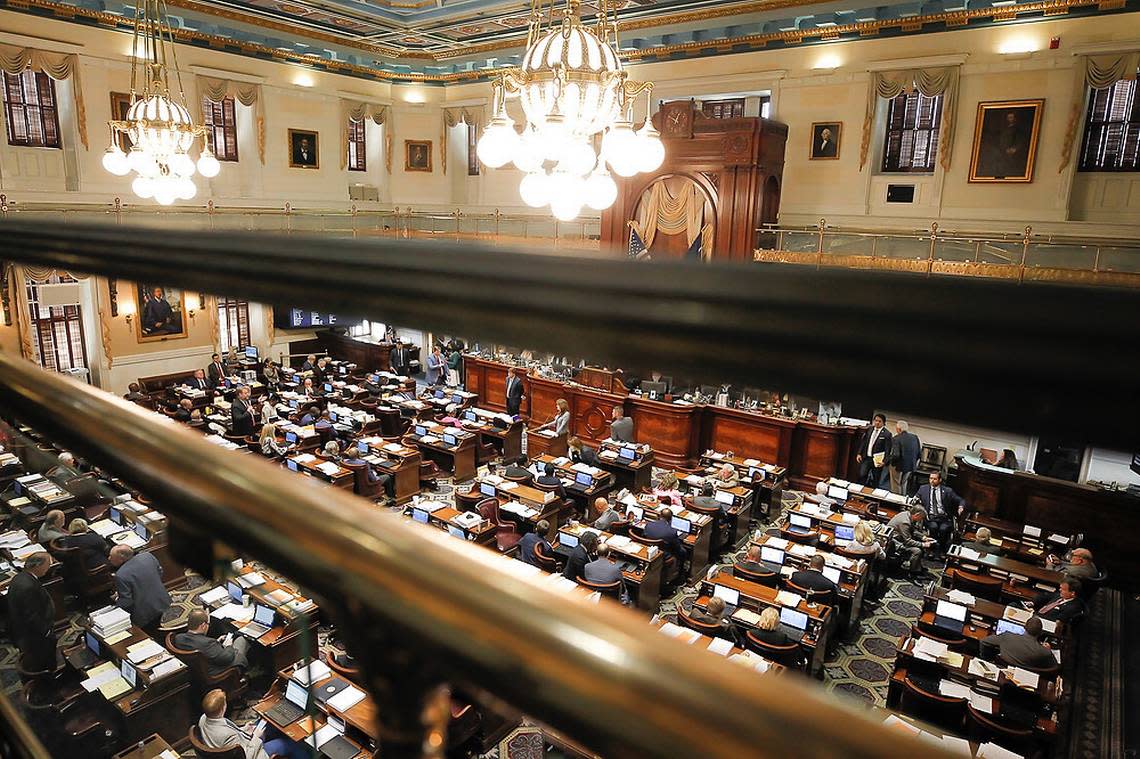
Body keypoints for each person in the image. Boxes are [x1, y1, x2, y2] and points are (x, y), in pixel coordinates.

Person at [198, 689, 307, 759]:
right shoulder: (227, 735)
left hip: (240, 742)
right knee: (290, 743)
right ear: (223, 708)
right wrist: (256, 737)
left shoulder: (203, 718)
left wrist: (244, 729)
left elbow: (230, 730)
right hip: (255, 753)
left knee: (266, 722)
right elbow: (246, 755)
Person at [7, 552, 56, 671]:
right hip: (35, 637)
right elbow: (32, 616)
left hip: (26, 632)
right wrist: (47, 632)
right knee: (44, 662)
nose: (49, 567)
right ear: (38, 566)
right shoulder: (27, 586)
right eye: (48, 564)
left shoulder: (21, 577)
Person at [109, 545, 171, 636]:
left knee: (151, 634)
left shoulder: (121, 575)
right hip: (162, 601)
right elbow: (160, 572)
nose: (108, 558)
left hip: (144, 613)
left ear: (121, 559)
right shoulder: (147, 556)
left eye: (111, 556)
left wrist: (116, 602)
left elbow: (127, 602)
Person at [175, 608, 249, 676]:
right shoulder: (207, 643)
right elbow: (227, 658)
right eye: (208, 624)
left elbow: (202, 647)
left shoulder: (178, 638)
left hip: (197, 670)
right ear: (203, 625)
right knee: (241, 640)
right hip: (215, 671)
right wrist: (229, 646)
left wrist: (216, 642)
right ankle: (246, 671)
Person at [915, 471, 964, 552]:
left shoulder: (948, 491)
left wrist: (961, 506)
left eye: (935, 479)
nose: (932, 481)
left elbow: (960, 500)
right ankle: (932, 549)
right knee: (933, 527)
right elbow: (916, 498)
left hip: (944, 517)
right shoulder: (923, 488)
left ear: (940, 480)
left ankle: (942, 550)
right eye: (931, 478)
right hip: (930, 517)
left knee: (943, 529)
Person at [980, 616, 1054, 668]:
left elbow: (983, 642)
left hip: (1002, 668)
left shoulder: (1007, 636)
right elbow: (1053, 666)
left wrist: (987, 660)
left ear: (1024, 628)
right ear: (1040, 633)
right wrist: (1049, 650)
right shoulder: (1044, 651)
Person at [887, 506, 934, 579]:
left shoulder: (907, 514)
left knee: (919, 545)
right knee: (917, 551)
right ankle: (913, 574)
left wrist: (923, 538)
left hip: (901, 538)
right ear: (917, 515)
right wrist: (923, 544)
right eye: (921, 518)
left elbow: (913, 530)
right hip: (894, 543)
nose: (920, 520)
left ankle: (917, 568)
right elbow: (908, 541)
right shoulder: (905, 522)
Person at [856, 413, 892, 487]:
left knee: (876, 478)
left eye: (879, 421)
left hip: (877, 460)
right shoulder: (869, 429)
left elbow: (887, 449)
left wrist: (884, 461)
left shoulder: (887, 434)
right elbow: (864, 442)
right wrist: (859, 453)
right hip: (867, 458)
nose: (877, 423)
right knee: (862, 475)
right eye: (876, 420)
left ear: (883, 423)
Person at [888, 420, 921, 494]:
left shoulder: (896, 438)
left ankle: (895, 502)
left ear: (899, 429)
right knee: (903, 484)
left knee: (896, 485)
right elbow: (919, 454)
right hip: (910, 466)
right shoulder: (915, 438)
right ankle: (902, 503)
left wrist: (889, 462)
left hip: (898, 466)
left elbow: (896, 455)